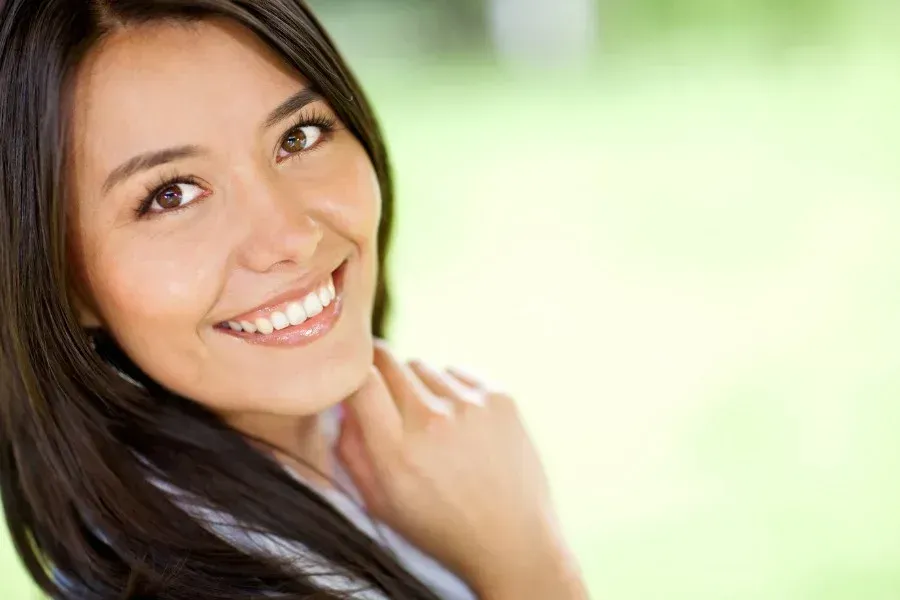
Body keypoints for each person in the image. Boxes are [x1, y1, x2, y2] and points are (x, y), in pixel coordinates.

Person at [0, 1, 589, 598]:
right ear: (55, 279)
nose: (290, 235)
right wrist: (528, 560)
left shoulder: (370, 452)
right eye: (171, 195)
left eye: (298, 136)